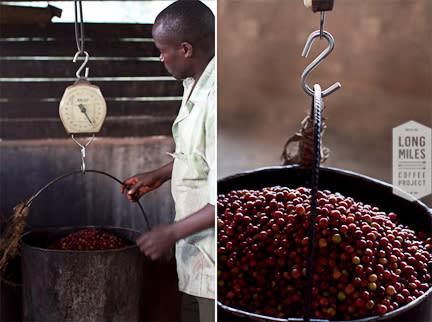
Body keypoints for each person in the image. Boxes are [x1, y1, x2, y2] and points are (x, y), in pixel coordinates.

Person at [120, 1, 215, 321]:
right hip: (195, 256)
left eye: (163, 50)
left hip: (213, 262)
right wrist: (158, 175)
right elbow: (200, 157)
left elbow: (225, 198)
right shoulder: (193, 85)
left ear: (185, 49)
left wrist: (170, 233)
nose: (161, 58)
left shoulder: (217, 101)